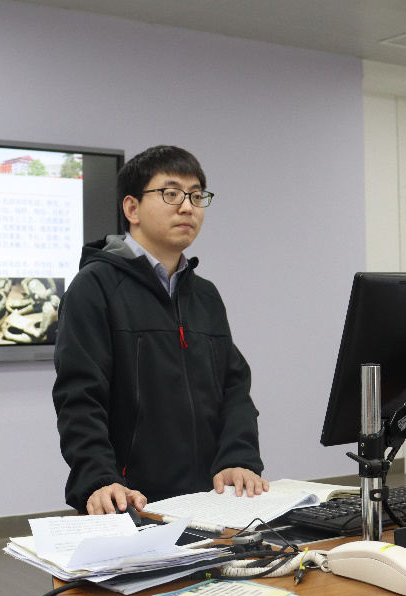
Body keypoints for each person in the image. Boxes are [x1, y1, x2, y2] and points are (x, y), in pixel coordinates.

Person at [52, 145, 267, 515]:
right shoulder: (95, 287)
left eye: (196, 196)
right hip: (129, 499)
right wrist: (98, 478)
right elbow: (80, 396)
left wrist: (238, 458)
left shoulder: (205, 295)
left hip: (209, 501)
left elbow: (234, 389)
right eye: (171, 194)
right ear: (132, 208)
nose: (187, 207)